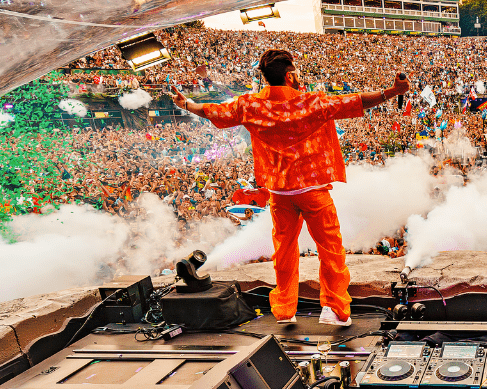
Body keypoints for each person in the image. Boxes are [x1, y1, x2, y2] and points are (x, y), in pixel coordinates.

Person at [172, 49, 408, 326]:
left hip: (279, 193)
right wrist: (392, 91)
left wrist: (186, 104)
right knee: (329, 249)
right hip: (311, 191)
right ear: (289, 74)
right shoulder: (309, 102)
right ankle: (334, 309)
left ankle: (285, 310)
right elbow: (353, 102)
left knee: (283, 251)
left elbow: (212, 111)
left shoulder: (250, 105)